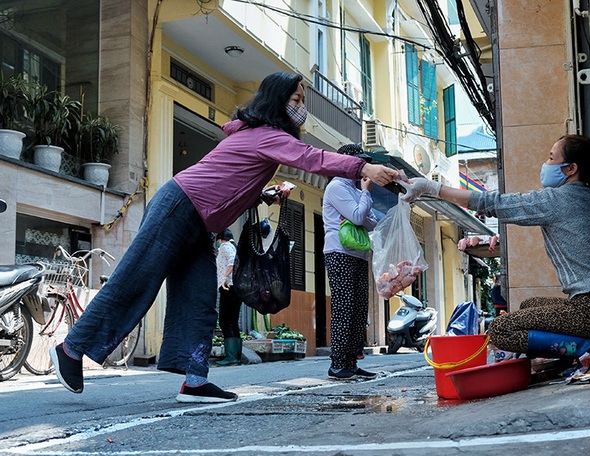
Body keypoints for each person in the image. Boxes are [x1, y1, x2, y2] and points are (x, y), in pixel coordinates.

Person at [49, 72, 400, 403]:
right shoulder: (266, 134)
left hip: (201, 223)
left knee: (201, 299)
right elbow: (312, 158)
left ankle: (195, 380)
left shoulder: (260, 136)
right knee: (137, 280)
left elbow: (234, 181)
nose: (301, 106)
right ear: (278, 100)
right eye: (296, 98)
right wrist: (363, 167)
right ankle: (71, 349)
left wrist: (263, 196)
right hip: (180, 206)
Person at [400, 134, 590, 360]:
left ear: (570, 169)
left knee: (500, 329)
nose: (546, 165)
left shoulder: (559, 199)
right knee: (529, 305)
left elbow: (493, 204)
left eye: (551, 158)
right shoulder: (589, 195)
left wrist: (432, 188)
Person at [322, 144, 379, 380]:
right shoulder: (336, 187)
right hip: (339, 252)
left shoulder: (354, 190)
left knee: (358, 309)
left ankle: (351, 362)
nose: (361, 168)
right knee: (344, 307)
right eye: (358, 162)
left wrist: (361, 204)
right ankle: (337, 364)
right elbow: (359, 216)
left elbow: (372, 222)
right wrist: (365, 195)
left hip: (358, 253)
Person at [213, 229, 241, 367]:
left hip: (228, 287)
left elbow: (232, 261)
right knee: (233, 321)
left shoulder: (225, 247)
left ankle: (231, 357)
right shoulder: (232, 246)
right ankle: (236, 356)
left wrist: (224, 277)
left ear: (220, 239)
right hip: (234, 288)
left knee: (225, 321)